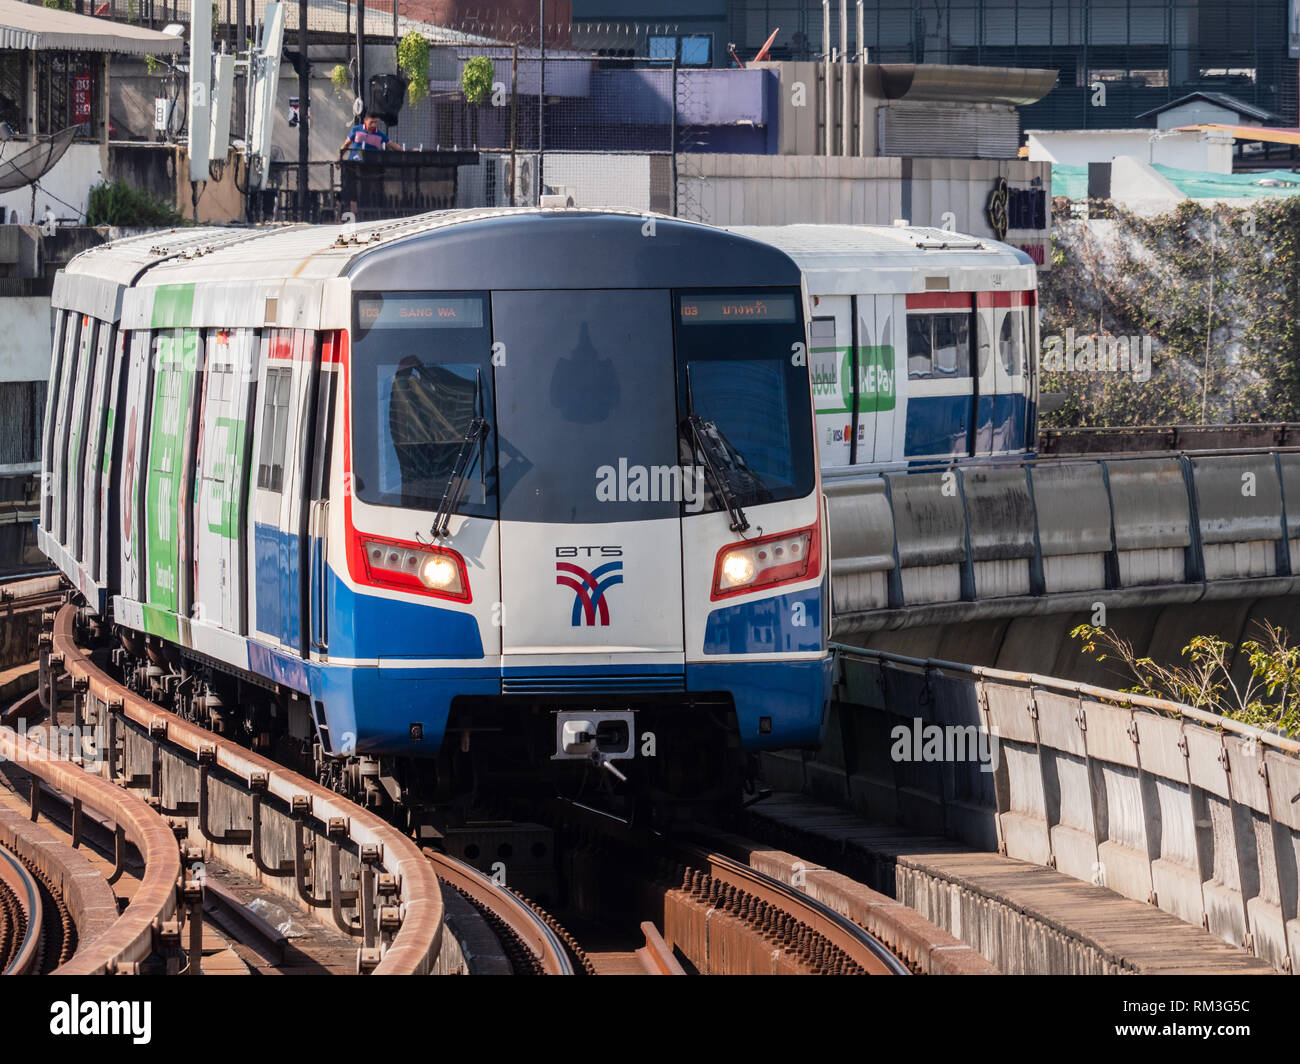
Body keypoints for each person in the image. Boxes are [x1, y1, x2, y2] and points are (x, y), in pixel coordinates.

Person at [339, 115, 403, 216]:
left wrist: (404, 151)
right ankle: (348, 211)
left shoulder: (380, 135)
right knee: (351, 187)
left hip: (369, 167)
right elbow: (346, 144)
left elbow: (391, 145)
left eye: (376, 122)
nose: (373, 125)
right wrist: (339, 158)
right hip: (353, 165)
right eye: (371, 122)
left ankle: (364, 212)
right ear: (365, 121)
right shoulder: (356, 130)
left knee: (366, 188)